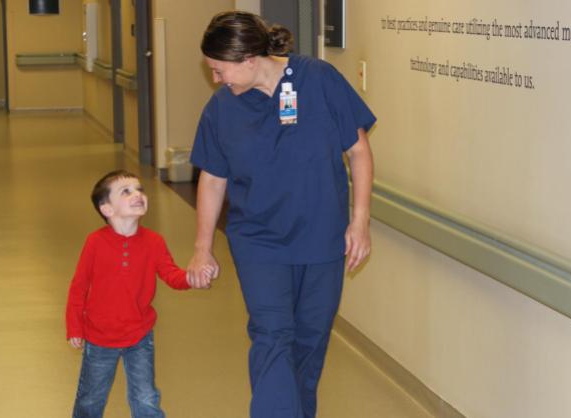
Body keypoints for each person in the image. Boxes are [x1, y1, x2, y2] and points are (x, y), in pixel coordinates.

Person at [187, 10, 376, 418]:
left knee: (310, 345)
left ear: (249, 59)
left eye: (220, 70)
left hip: (322, 239)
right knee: (273, 338)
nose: (216, 79)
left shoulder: (319, 80)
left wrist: (359, 221)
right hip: (259, 243)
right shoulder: (221, 110)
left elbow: (358, 151)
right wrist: (203, 248)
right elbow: (213, 179)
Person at [66, 170, 206, 418]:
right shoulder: (95, 243)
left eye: (139, 189)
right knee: (90, 398)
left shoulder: (154, 241)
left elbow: (171, 275)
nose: (138, 194)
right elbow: (78, 287)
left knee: (145, 397)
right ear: (107, 209)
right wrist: (75, 327)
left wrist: (191, 278)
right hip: (99, 337)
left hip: (139, 334)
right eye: (126, 191)